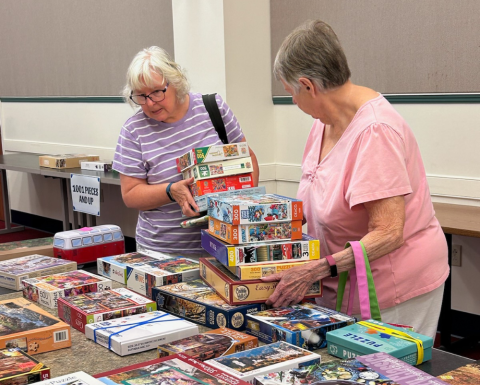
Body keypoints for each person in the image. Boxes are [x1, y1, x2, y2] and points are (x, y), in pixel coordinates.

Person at [263, 20, 448, 338]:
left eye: (290, 92)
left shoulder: (376, 130)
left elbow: (389, 233)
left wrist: (315, 270)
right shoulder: (324, 122)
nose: (293, 102)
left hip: (394, 287)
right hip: (340, 283)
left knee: (388, 382)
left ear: (308, 86)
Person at [113, 46, 259, 256]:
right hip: (161, 252)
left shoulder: (212, 108)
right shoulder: (133, 130)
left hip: (222, 245)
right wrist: (170, 191)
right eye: (141, 96)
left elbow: (248, 160)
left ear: (175, 82)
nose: (150, 103)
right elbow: (131, 194)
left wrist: (239, 209)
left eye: (156, 91)